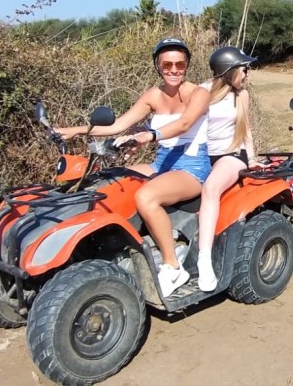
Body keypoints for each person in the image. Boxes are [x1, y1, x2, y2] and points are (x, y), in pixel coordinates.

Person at [55, 38, 211, 297]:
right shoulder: (153, 95)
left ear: (187, 65)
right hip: (161, 163)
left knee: (146, 196)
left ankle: (173, 266)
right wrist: (76, 131)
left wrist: (148, 136)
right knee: (109, 183)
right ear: (158, 66)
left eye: (179, 64)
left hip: (192, 167)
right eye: (167, 64)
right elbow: (118, 125)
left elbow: (184, 124)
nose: (174, 70)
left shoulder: (199, 93)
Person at [196, 46, 259, 291]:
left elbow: (247, 129)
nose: (247, 73)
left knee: (211, 189)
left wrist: (252, 158)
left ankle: (204, 259)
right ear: (228, 70)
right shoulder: (201, 91)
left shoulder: (240, 96)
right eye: (244, 68)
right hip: (202, 155)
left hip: (231, 155)